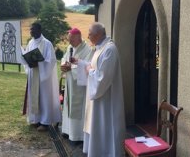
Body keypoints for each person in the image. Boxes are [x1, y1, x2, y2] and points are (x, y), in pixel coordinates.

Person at [73, 22, 125, 156]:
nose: (88, 36)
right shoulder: (99, 48)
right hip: (98, 100)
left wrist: (90, 71)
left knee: (106, 128)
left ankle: (107, 153)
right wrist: (80, 63)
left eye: (90, 34)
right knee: (98, 127)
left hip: (107, 101)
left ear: (98, 34)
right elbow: (93, 66)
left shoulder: (109, 49)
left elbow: (103, 78)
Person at [21, 22, 62, 131]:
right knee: (34, 97)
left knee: (44, 98)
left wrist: (39, 64)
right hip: (33, 74)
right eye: (30, 30)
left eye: (33, 29)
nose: (31, 31)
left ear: (39, 30)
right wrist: (28, 61)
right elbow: (27, 56)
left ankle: (45, 122)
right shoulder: (30, 43)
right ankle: (35, 119)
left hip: (43, 77)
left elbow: (51, 60)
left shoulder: (47, 43)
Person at [60, 28, 93, 141]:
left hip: (80, 86)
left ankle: (77, 135)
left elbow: (87, 66)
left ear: (79, 38)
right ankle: (67, 130)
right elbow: (64, 59)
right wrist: (63, 65)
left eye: (72, 40)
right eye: (69, 40)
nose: (70, 42)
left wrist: (72, 68)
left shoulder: (87, 50)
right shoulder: (70, 47)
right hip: (70, 83)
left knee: (78, 108)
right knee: (68, 106)